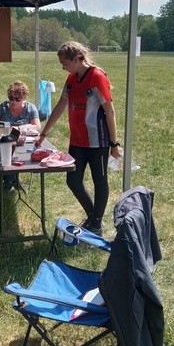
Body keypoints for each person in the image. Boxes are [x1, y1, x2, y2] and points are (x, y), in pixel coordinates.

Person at [36, 42, 120, 235]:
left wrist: (114, 143)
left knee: (100, 180)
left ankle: (96, 224)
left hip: (98, 141)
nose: (64, 67)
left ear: (77, 59)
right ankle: (93, 217)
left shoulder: (97, 77)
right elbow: (60, 106)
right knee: (73, 181)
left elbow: (110, 111)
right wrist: (44, 133)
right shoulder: (72, 78)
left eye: (65, 63)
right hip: (77, 141)